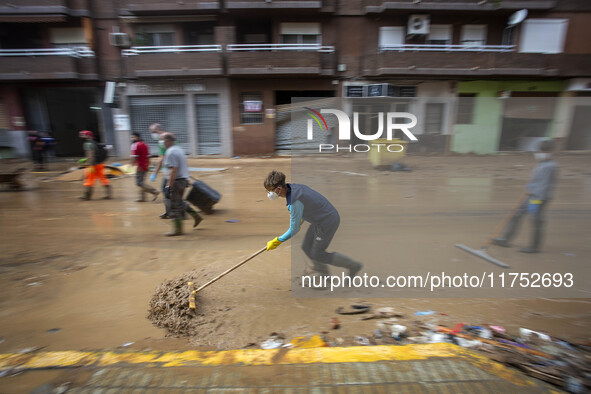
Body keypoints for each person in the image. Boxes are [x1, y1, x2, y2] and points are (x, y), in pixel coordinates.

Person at [264, 170, 362, 280]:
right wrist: (300, 219)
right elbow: (309, 205)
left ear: (279, 189)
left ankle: (354, 266)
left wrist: (277, 241)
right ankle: (324, 275)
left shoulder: (294, 202)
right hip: (319, 219)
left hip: (327, 221)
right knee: (306, 247)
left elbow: (294, 229)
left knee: (317, 253)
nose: (269, 194)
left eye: (269, 191)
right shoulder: (293, 187)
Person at [493, 139, 558, 253]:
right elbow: (536, 181)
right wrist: (528, 188)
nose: (540, 153)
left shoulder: (550, 166)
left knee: (535, 220)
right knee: (516, 214)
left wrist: (534, 198)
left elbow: (543, 185)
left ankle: (534, 247)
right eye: (540, 150)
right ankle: (505, 239)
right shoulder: (542, 164)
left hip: (538, 198)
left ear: (550, 151)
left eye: (544, 151)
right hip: (531, 196)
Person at [162, 133, 202, 236]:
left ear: (169, 141)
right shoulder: (178, 149)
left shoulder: (171, 152)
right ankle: (195, 215)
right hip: (182, 179)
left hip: (176, 181)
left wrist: (168, 186)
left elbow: (173, 170)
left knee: (173, 205)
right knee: (179, 202)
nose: (163, 143)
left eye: (164, 141)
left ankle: (178, 230)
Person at [78, 130, 111, 200]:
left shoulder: (88, 144)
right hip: (100, 164)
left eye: (83, 135)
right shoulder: (94, 142)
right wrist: (86, 159)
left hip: (92, 165)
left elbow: (90, 155)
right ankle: (108, 194)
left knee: (89, 179)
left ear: (88, 136)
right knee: (103, 178)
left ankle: (87, 196)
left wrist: (89, 164)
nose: (81, 137)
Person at [130, 132, 159, 202]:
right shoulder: (145, 145)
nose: (132, 139)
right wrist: (148, 165)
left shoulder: (135, 145)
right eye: (132, 137)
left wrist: (132, 165)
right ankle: (142, 198)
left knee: (139, 182)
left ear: (138, 137)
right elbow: (148, 157)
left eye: (134, 137)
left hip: (139, 166)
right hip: (145, 166)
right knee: (142, 182)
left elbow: (134, 157)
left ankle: (154, 191)